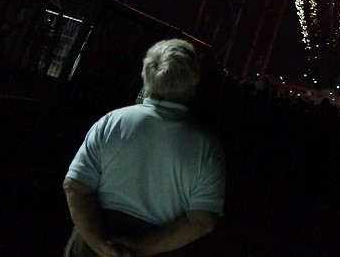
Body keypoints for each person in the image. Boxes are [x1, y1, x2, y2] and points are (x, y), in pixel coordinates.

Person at [62, 38, 225, 256]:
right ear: (194, 80)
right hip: (157, 245)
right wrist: (141, 248)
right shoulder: (207, 147)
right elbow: (203, 220)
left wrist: (98, 244)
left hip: (90, 242)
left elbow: (75, 186)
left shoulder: (111, 122)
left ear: (146, 74)